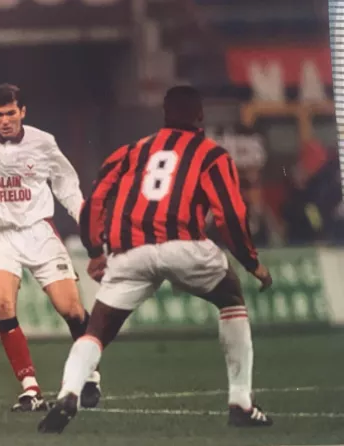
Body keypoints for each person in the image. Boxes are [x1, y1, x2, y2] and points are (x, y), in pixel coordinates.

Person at [38, 85, 274, 433]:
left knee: (97, 330)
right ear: (200, 117)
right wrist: (252, 263)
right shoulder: (211, 155)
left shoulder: (132, 151)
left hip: (129, 252)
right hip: (184, 246)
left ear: (164, 114)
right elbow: (230, 214)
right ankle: (240, 402)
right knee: (230, 298)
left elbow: (96, 201)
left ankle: (69, 392)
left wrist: (95, 252)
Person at [0, 83, 101, 412]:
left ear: (23, 111)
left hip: (39, 231)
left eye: (11, 113)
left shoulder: (43, 143)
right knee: (1, 303)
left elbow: (66, 184)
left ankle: (91, 374)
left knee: (71, 309)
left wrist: (85, 218)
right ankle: (30, 388)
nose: (5, 120)